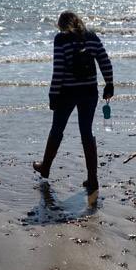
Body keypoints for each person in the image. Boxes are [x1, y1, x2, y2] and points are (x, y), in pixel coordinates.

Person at [33, 11, 114, 195]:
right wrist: (109, 84)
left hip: (67, 93)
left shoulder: (61, 40)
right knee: (87, 132)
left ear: (61, 25)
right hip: (89, 91)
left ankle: (45, 167)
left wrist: (53, 95)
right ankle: (92, 179)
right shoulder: (91, 36)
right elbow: (104, 60)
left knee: (57, 129)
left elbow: (59, 69)